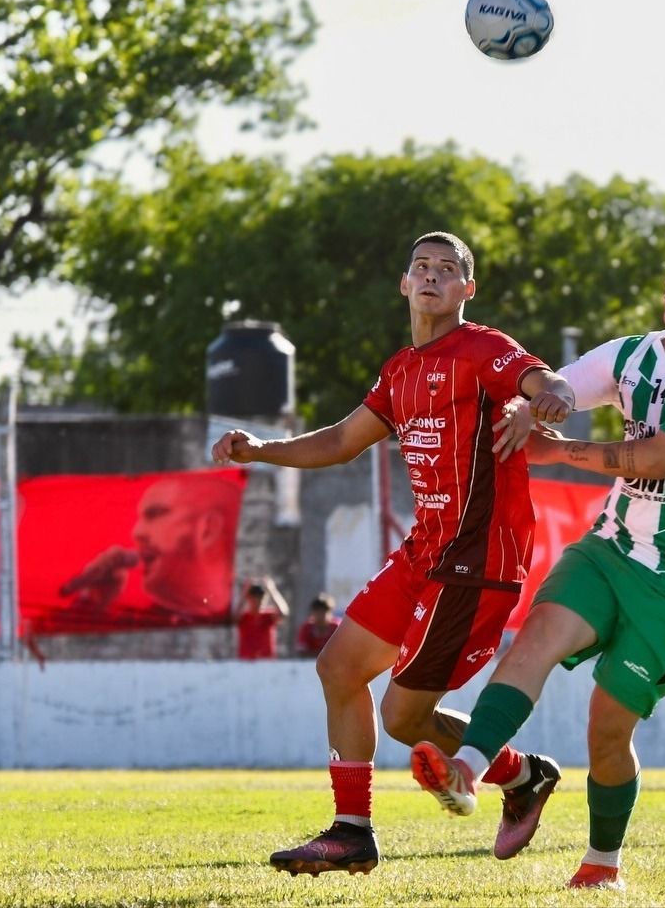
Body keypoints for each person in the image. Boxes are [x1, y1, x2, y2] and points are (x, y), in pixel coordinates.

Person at [409, 225, 665, 890]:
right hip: (609, 546)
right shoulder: (633, 354)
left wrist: (556, 450)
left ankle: (603, 863)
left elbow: (660, 455)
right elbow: (560, 388)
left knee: (607, 730)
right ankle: (467, 766)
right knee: (536, 637)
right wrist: (530, 406)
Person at [211, 230, 576, 877]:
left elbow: (540, 379)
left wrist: (546, 396)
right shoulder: (400, 370)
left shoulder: (483, 347)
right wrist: (261, 449)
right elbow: (343, 440)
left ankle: (520, 773)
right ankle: (352, 831)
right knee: (338, 667)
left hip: (475, 559)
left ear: (468, 288)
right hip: (423, 551)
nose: (432, 276)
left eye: (447, 268)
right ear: (405, 284)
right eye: (420, 267)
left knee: (404, 717)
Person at [56, 474, 242, 621]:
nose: (136, 533)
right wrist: (93, 603)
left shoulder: (253, 620)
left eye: (155, 514)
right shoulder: (133, 622)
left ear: (208, 529)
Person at [236, 577, 290, 660]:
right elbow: (233, 617)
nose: (258, 601)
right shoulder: (244, 617)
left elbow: (284, 613)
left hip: (266, 663)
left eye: (261, 598)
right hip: (245, 662)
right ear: (249, 598)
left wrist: (272, 591)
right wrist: (244, 593)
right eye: (254, 598)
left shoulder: (268, 616)